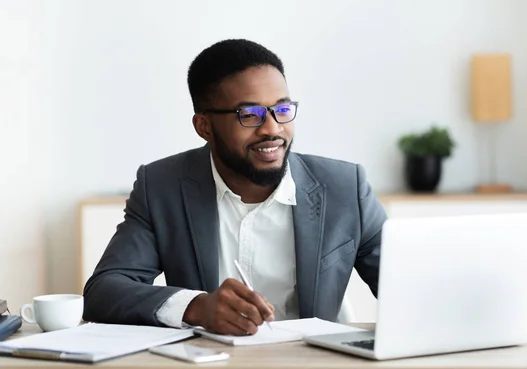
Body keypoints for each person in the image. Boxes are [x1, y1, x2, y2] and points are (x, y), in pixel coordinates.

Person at [82, 39, 387, 336]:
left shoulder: (345, 188)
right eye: (250, 115)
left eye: (282, 110)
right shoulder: (162, 187)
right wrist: (197, 307)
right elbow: (104, 291)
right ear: (204, 127)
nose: (272, 128)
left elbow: (409, 287)